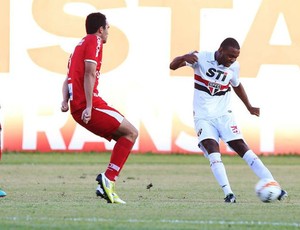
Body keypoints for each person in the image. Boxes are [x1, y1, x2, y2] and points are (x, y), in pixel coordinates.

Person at [169, 37, 287, 203]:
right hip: (203, 117)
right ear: (221, 50)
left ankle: (274, 186)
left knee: (242, 148)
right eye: (231, 56)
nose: (233, 60)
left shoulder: (234, 67)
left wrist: (249, 106)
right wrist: (183, 58)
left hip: (224, 116)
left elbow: (236, 85)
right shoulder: (200, 57)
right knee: (213, 151)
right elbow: (172, 66)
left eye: (236, 57)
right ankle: (229, 193)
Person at [61, 12, 138, 204]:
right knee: (131, 133)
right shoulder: (94, 41)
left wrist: (64, 100)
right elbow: (89, 74)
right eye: (108, 28)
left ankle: (107, 183)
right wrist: (88, 106)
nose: (108, 32)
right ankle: (108, 179)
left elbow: (68, 77)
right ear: (100, 29)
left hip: (80, 105)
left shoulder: (78, 46)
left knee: (126, 135)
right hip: (90, 105)